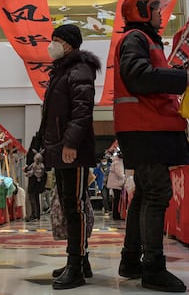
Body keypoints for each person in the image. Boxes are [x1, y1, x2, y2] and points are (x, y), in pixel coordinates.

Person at [113, 0, 189, 293]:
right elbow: (138, 76)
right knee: (157, 194)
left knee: (145, 194)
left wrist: (174, 74)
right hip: (145, 126)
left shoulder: (142, 40)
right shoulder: (136, 39)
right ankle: (153, 268)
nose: (162, 15)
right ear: (143, 11)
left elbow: (144, 74)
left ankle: (131, 261)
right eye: (157, 9)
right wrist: (179, 78)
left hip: (144, 126)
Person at [39, 23, 101, 290]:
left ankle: (76, 266)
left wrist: (70, 143)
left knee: (75, 206)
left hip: (72, 150)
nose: (51, 45)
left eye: (56, 40)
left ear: (68, 44)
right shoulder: (62, 71)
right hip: (59, 149)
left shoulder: (79, 70)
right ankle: (78, 260)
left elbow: (82, 110)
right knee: (68, 205)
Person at [24, 152, 46, 221]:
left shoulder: (35, 165)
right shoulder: (41, 165)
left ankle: (34, 215)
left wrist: (27, 173)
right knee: (36, 199)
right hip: (37, 185)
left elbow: (31, 172)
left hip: (33, 184)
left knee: (32, 199)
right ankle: (37, 215)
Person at [106, 150, 126, 220]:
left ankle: (116, 214)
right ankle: (116, 215)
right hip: (117, 184)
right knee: (117, 200)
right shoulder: (118, 163)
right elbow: (120, 174)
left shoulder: (115, 161)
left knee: (116, 200)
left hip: (114, 184)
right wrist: (125, 177)